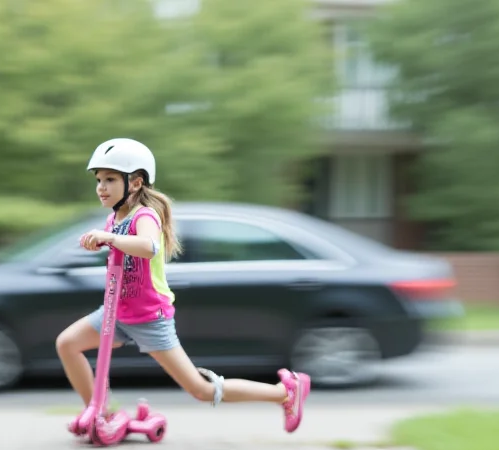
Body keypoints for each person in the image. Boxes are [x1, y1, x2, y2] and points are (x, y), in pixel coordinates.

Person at [56, 138, 311, 433]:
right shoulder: (115, 217)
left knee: (200, 390)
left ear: (136, 183)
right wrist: (102, 241)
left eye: (110, 179)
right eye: (99, 179)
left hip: (150, 317)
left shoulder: (144, 215)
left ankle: (284, 392)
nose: (101, 186)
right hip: (118, 310)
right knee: (67, 343)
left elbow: (149, 246)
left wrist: (110, 239)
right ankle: (102, 412)